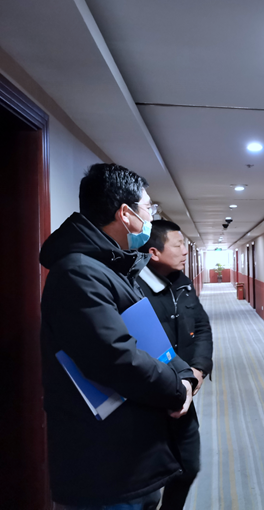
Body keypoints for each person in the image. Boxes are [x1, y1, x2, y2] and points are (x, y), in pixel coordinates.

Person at [40, 163, 197, 510]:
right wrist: (177, 388)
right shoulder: (79, 274)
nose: (152, 217)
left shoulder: (112, 267)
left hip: (131, 452)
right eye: (149, 208)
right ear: (126, 214)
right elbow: (117, 357)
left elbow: (150, 339)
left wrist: (183, 373)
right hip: (104, 465)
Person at [136, 220, 213, 510]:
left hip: (183, 393)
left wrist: (198, 370)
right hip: (149, 398)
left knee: (188, 466)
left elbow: (202, 327)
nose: (184, 251)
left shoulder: (182, 283)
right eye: (178, 245)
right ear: (154, 252)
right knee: (147, 484)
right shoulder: (133, 288)